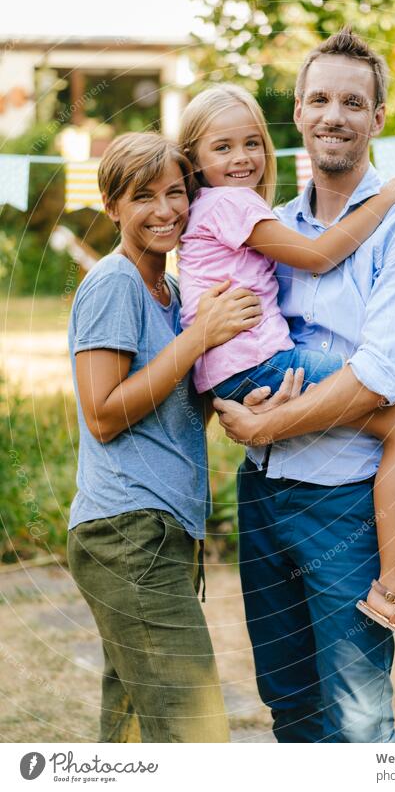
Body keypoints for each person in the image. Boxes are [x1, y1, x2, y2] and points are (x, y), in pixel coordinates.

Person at [214, 27, 395, 742]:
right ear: (296, 111)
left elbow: (379, 382)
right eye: (319, 98)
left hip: (345, 505)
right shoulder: (272, 226)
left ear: (378, 118)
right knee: (289, 706)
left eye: (353, 101)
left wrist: (265, 423)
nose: (334, 114)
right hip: (262, 498)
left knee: (355, 723)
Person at [67, 131, 264, 743]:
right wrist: (198, 339)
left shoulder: (174, 294)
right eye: (142, 196)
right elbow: (102, 414)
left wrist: (239, 399)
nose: (165, 210)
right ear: (112, 207)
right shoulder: (114, 284)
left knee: (132, 739)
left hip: (163, 531)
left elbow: (168, 408)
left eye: (176, 192)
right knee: (196, 735)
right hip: (127, 533)